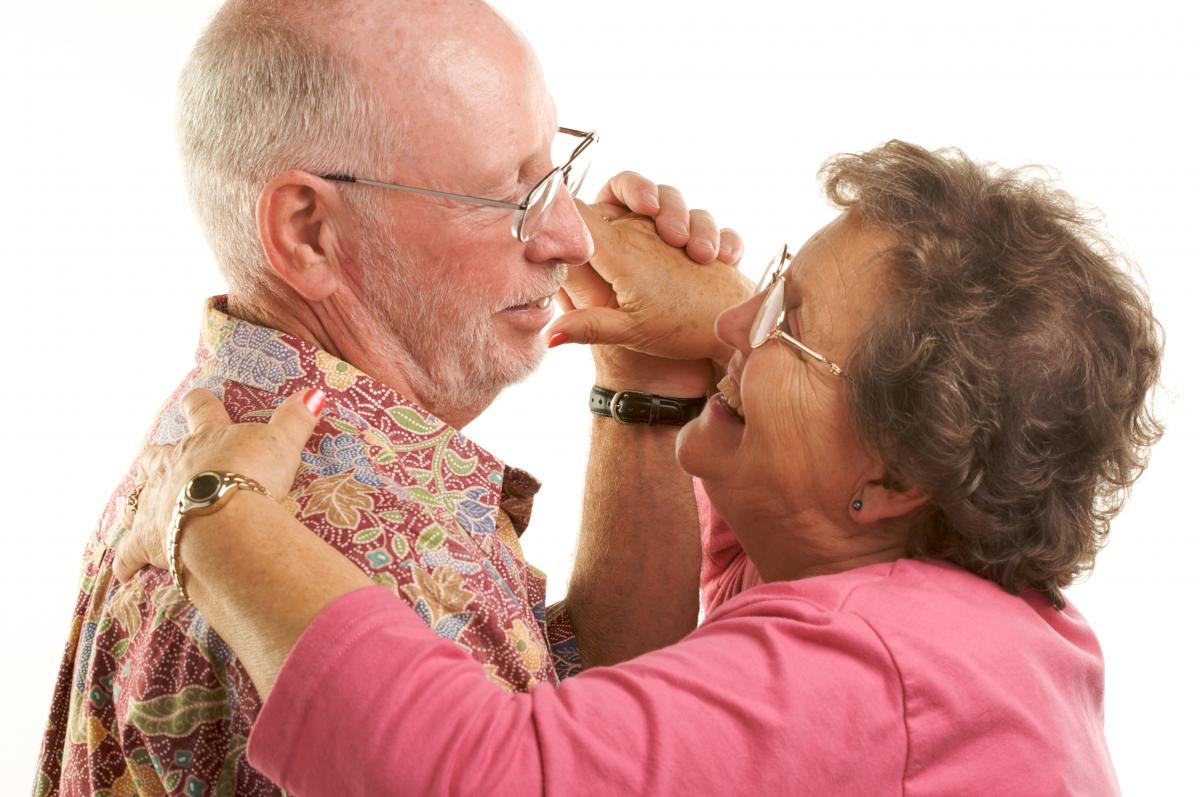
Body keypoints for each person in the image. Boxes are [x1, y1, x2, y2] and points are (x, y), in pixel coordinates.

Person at [116, 140, 1161, 795]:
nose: (738, 316)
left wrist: (219, 514)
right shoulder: (912, 597)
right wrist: (661, 370)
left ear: (894, 478)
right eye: (779, 276)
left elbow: (474, 778)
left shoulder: (879, 668)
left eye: (788, 320)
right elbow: (638, 720)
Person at [34, 1, 750, 794]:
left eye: (554, 169)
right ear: (307, 231)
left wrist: (642, 375)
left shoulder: (230, 409)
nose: (572, 239)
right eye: (507, 195)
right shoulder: (374, 558)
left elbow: (568, 723)